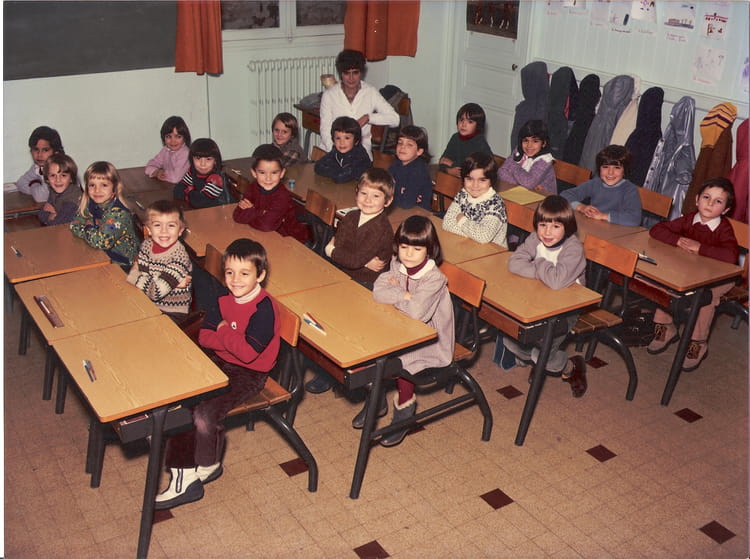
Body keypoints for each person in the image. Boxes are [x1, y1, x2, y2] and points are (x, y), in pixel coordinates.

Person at [155, 239, 280, 510]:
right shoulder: (223, 298)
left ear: (260, 275)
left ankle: (201, 468)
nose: (235, 280)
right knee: (181, 396)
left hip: (250, 374)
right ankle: (189, 466)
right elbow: (204, 337)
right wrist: (230, 338)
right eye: (230, 272)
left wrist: (223, 330)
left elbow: (248, 355)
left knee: (203, 414)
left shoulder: (264, 309)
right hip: (221, 362)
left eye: (244, 273)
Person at [358, 215, 455, 446]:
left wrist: (398, 295)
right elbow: (378, 290)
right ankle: (376, 399)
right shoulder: (396, 264)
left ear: (430, 250)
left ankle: (404, 410)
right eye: (404, 247)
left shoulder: (434, 279)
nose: (408, 254)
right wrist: (405, 295)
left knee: (400, 359)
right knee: (366, 342)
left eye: (417, 249)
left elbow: (416, 313)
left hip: (432, 339)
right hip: (399, 327)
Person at [305, 168, 395, 394]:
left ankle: (344, 371)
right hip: (345, 275)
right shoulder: (352, 216)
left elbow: (348, 257)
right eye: (363, 193)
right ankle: (327, 368)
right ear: (356, 194)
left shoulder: (381, 228)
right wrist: (340, 253)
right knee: (318, 311)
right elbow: (344, 251)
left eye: (376, 196)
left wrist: (333, 251)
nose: (368, 200)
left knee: (343, 322)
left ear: (388, 201)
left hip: (368, 284)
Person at [646, 177, 739, 371]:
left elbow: (731, 256)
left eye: (718, 201)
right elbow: (657, 230)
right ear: (697, 199)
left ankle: (698, 342)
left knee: (705, 298)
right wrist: (677, 240)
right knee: (666, 282)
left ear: (725, 210)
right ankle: (665, 327)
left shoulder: (723, 228)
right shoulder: (689, 219)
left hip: (721, 278)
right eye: (706, 197)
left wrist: (700, 248)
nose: (710, 204)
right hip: (693, 271)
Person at [500, 195, 588, 396]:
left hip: (567, 310)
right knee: (510, 339)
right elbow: (514, 263)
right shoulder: (535, 238)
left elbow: (556, 282)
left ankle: (571, 366)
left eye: (555, 226)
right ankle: (536, 358)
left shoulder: (573, 248)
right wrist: (546, 274)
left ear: (567, 227)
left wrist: (538, 263)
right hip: (538, 301)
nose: (547, 233)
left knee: (543, 356)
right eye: (542, 225)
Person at [318, 49, 399, 158]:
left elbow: (395, 119)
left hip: (361, 155)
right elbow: (325, 130)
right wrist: (335, 151)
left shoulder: (370, 92)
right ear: (341, 74)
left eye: (355, 72)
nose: (351, 78)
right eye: (347, 73)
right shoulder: (329, 95)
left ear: (361, 72)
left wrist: (368, 118)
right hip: (332, 151)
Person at [126, 200, 193, 319]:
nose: (164, 231)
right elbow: (145, 276)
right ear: (149, 230)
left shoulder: (179, 258)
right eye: (157, 225)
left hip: (171, 312)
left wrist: (133, 275)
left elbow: (155, 292)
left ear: (180, 231)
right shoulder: (147, 245)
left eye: (171, 225)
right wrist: (166, 283)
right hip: (146, 302)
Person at [233, 144, 309, 244]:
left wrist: (251, 211)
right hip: (265, 236)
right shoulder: (253, 187)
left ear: (282, 173)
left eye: (274, 173)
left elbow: (266, 226)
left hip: (290, 241)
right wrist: (261, 213)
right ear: (254, 173)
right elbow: (237, 216)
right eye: (262, 173)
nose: (268, 178)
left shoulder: (282, 196)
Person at [70, 161, 138, 269]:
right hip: (101, 255)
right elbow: (74, 224)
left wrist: (87, 227)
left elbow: (101, 242)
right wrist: (93, 233)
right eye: (92, 185)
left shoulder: (118, 214)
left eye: (104, 185)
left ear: (114, 187)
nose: (97, 190)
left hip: (122, 265)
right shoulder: (92, 204)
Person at [560, 145, 642, 226]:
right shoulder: (595, 183)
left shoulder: (629, 190)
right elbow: (565, 194)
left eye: (617, 167)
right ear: (599, 169)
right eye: (605, 167)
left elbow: (635, 219)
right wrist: (581, 207)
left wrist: (603, 216)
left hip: (616, 231)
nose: (610, 173)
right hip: (594, 226)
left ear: (625, 170)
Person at [443, 152, 508, 247]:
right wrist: (474, 235)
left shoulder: (495, 204)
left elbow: (483, 236)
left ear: (491, 181)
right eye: (469, 179)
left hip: (492, 252)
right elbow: (447, 223)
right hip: (468, 246)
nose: (475, 185)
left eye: (482, 180)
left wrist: (462, 220)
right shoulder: (463, 194)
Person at [498, 119, 557, 194]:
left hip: (543, 197)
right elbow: (501, 172)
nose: (529, 145)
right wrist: (523, 185)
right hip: (521, 193)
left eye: (535, 141)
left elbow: (528, 183)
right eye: (525, 140)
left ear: (544, 143)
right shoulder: (518, 151)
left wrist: (513, 166)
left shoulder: (545, 160)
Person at [173, 138, 232, 208]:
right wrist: (192, 194)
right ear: (192, 159)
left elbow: (200, 202)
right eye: (198, 158)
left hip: (219, 211)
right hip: (201, 210)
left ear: (215, 160)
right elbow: (177, 190)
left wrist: (188, 191)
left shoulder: (216, 178)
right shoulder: (192, 171)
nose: (203, 164)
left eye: (208, 159)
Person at [438, 103, 493, 178]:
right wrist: (448, 170)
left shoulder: (480, 143)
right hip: (453, 178)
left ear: (478, 125)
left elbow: (474, 170)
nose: (463, 124)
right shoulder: (455, 137)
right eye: (461, 120)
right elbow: (443, 160)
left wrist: (452, 164)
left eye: (470, 122)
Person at [314, 116, 371, 183]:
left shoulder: (360, 157)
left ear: (356, 141)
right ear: (333, 140)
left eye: (347, 138)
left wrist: (332, 169)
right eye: (338, 138)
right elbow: (318, 166)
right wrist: (338, 171)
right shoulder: (335, 151)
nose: (342, 142)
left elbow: (340, 177)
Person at [389, 125, 433, 210]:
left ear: (419, 151)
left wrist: (392, 194)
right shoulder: (396, 164)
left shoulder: (419, 171)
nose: (403, 147)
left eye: (409, 144)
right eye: (400, 143)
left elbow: (406, 203)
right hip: (398, 208)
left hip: (417, 213)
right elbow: (383, 187)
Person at [17, 125, 64, 203]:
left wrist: (34, 183)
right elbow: (20, 183)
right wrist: (35, 190)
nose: (39, 155)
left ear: (56, 152)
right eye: (36, 149)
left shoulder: (60, 169)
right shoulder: (38, 167)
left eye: (45, 150)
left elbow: (40, 197)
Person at [145, 116, 191, 184]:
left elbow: (176, 178)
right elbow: (149, 166)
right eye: (168, 136)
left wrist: (163, 174)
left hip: (186, 188)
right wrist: (156, 172)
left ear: (185, 138)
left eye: (178, 136)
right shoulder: (165, 150)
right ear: (163, 138)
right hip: (168, 185)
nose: (173, 141)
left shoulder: (185, 153)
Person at [38, 153, 81, 226]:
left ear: (71, 178)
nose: (58, 180)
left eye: (63, 175)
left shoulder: (72, 199)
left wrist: (49, 216)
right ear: (47, 179)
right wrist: (49, 215)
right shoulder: (54, 191)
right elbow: (41, 212)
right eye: (53, 175)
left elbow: (58, 224)